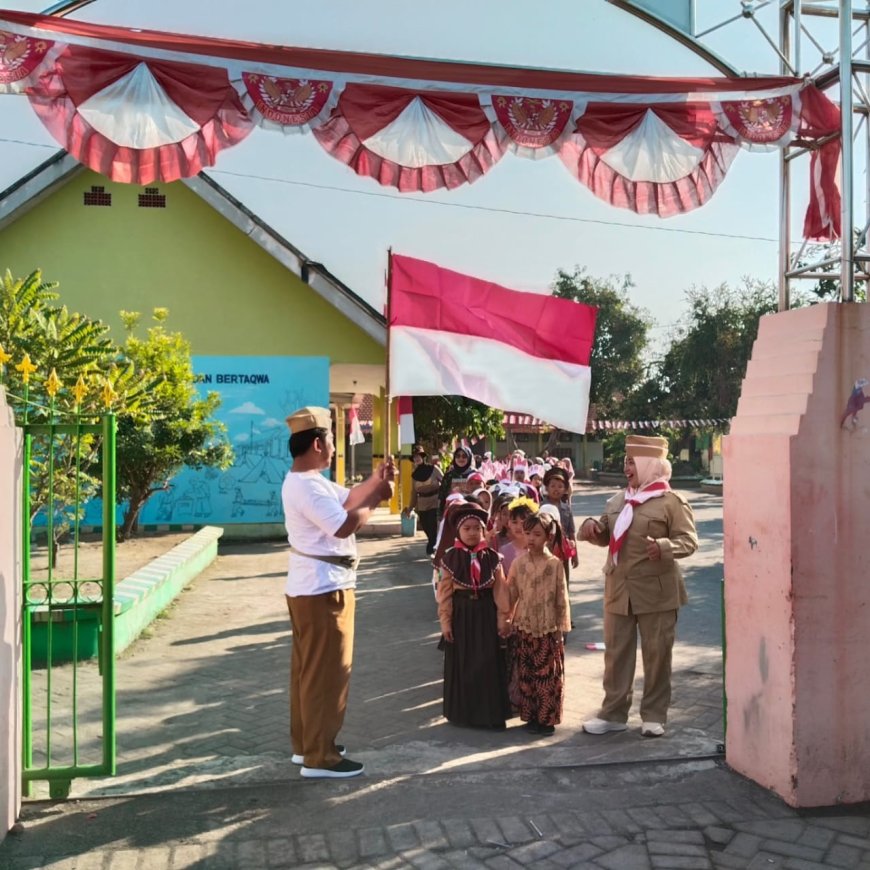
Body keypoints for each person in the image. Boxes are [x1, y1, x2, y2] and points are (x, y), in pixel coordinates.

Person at [281, 406, 395, 779]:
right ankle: (321, 756)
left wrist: (376, 480)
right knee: (327, 674)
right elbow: (344, 524)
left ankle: (308, 744)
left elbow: (348, 497)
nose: (334, 446)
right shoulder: (306, 486)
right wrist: (377, 497)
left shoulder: (307, 480)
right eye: (331, 440)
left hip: (315, 585)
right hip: (323, 589)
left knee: (309, 671)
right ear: (318, 443)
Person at [577, 434, 698, 739]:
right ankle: (613, 714)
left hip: (657, 591)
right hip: (619, 589)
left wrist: (664, 547)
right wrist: (593, 529)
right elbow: (605, 533)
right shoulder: (619, 500)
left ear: (649, 464)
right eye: (626, 461)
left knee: (657, 655)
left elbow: (689, 540)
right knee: (616, 655)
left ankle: (654, 715)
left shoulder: (671, 502)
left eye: (632, 462)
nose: (626, 467)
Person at [436, 503, 512, 729]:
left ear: (483, 530)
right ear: (458, 531)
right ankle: (463, 713)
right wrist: (445, 623)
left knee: (487, 663)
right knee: (464, 663)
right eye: (466, 528)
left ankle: (489, 715)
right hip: (462, 616)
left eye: (476, 528)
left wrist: (503, 620)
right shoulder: (449, 559)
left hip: (486, 615)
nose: (472, 533)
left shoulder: (493, 558)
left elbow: (501, 592)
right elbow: (445, 595)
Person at [504, 512, 571, 735]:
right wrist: (506, 619)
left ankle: (547, 720)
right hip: (524, 626)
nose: (531, 538)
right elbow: (511, 594)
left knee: (547, 676)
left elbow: (562, 598)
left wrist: (561, 628)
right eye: (527, 533)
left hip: (548, 628)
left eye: (537, 534)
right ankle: (530, 716)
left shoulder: (555, 565)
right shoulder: (518, 563)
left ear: (548, 537)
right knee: (526, 674)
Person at [543, 466, 579, 583]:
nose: (556, 489)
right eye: (552, 486)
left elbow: (571, 533)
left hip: (563, 553)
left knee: (563, 583)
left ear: (565, 489)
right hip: (545, 552)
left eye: (560, 486)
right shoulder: (541, 507)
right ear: (547, 488)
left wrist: (575, 554)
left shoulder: (567, 509)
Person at [405, 448, 443, 556]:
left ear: (423, 457)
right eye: (415, 457)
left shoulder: (433, 469)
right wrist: (410, 508)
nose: (417, 458)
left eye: (418, 456)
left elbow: (445, 482)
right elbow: (413, 493)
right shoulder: (414, 475)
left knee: (432, 524)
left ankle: (432, 546)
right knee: (425, 525)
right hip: (422, 504)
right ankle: (432, 543)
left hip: (435, 502)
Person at [438, 445, 476, 514]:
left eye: (464, 456)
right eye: (458, 456)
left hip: (470, 511)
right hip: (451, 512)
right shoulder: (449, 475)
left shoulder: (474, 475)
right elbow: (442, 497)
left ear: (469, 458)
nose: (461, 459)